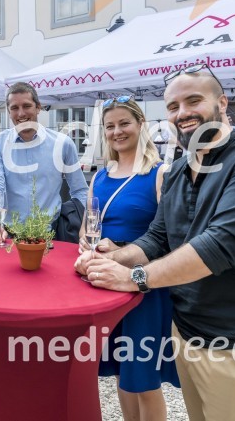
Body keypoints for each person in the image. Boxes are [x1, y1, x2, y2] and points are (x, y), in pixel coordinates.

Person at [76, 63, 235, 421]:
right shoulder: (181, 168)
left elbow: (220, 245)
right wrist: (113, 259)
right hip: (188, 334)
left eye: (193, 101)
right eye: (173, 106)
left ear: (222, 103)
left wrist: (134, 279)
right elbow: (157, 238)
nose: (182, 113)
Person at [80, 96, 179, 421]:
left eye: (124, 123)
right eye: (110, 126)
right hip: (107, 288)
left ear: (140, 125)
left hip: (143, 288)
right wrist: (87, 250)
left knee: (145, 380)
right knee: (122, 373)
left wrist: (120, 247)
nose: (117, 131)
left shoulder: (160, 173)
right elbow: (86, 230)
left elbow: (168, 239)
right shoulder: (100, 175)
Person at [0, 82, 88, 245]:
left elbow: (80, 190)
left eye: (26, 106)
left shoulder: (63, 143)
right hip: (10, 236)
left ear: (38, 107)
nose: (21, 113)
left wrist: (83, 227)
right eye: (14, 108)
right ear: (9, 111)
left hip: (53, 235)